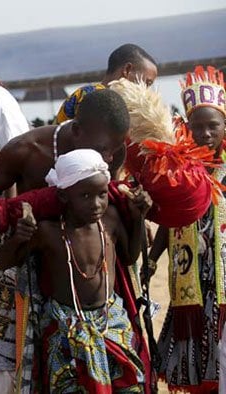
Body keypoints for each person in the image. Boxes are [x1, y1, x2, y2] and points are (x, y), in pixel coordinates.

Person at [0, 89, 150, 392]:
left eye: (113, 151)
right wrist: (17, 232)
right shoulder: (26, 150)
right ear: (76, 130)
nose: (108, 158)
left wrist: (135, 215)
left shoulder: (111, 151)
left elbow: (123, 245)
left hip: (103, 286)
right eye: (103, 150)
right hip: (38, 280)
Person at [2, 149, 149, 392]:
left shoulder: (110, 220)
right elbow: (5, 262)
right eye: (85, 196)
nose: (96, 204)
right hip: (65, 329)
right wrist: (18, 238)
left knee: (128, 386)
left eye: (102, 194)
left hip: (111, 324)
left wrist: (137, 219)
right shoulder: (48, 232)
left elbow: (130, 256)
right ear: (63, 197)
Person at [145, 66, 226, 393]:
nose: (205, 134)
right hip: (189, 275)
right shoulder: (178, 170)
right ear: (186, 128)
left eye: (213, 126)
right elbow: (168, 220)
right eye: (197, 127)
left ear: (225, 126)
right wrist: (151, 261)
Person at [55, 43, 158, 124]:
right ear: (127, 69)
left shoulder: (113, 101)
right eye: (147, 83)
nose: (146, 90)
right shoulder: (95, 96)